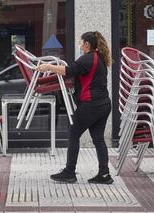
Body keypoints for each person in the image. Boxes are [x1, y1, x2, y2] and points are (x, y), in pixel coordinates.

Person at [37, 31, 113, 184]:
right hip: (104, 104)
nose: (79, 45)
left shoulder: (87, 58)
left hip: (91, 104)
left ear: (87, 45)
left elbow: (68, 71)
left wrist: (48, 67)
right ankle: (104, 174)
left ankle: (69, 172)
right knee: (98, 139)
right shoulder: (99, 58)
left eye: (81, 42)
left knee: (73, 133)